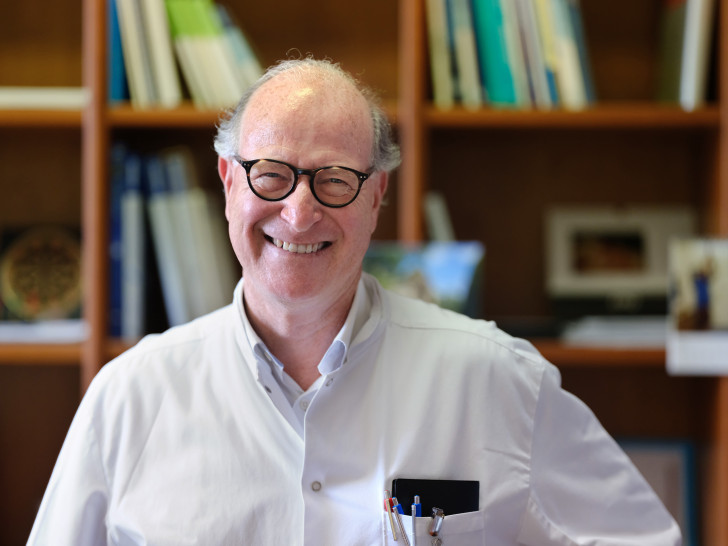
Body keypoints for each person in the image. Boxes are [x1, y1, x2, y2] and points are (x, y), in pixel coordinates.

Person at [28, 58, 680, 545]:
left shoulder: (497, 377)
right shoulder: (131, 397)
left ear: (375, 197)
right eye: (272, 174)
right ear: (229, 182)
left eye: (335, 179)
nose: (299, 210)